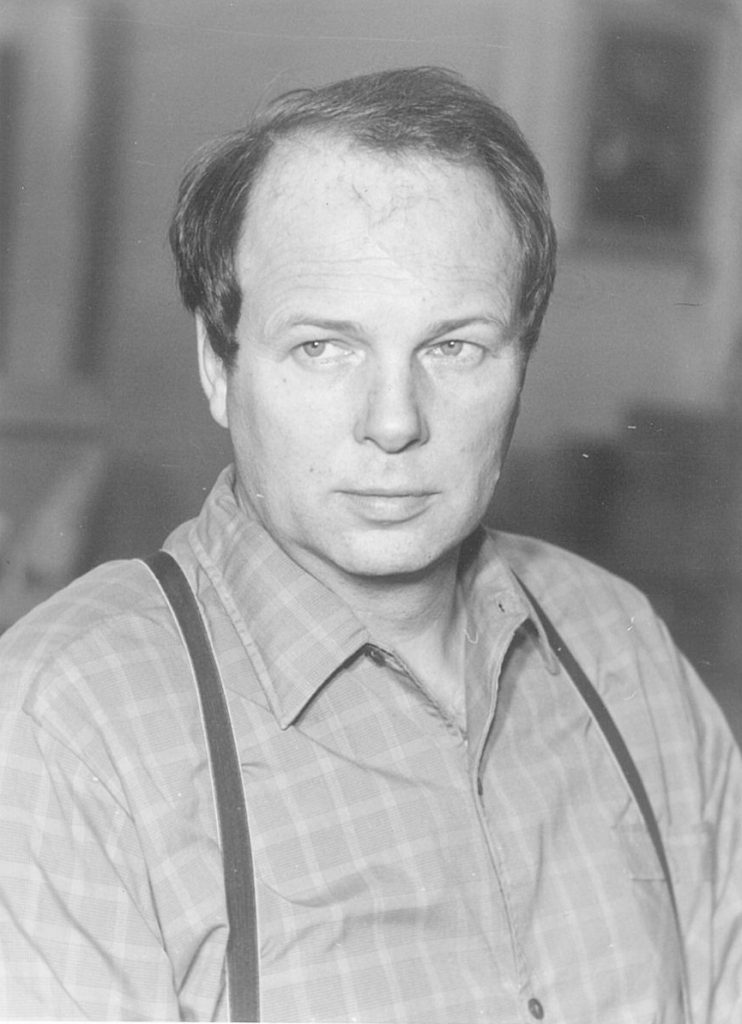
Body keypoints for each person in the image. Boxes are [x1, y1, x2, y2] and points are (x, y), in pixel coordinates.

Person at [0, 66, 740, 1023]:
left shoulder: (619, 648)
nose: (394, 422)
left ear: (522, 363)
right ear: (219, 366)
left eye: (454, 347)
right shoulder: (66, 724)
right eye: (323, 347)